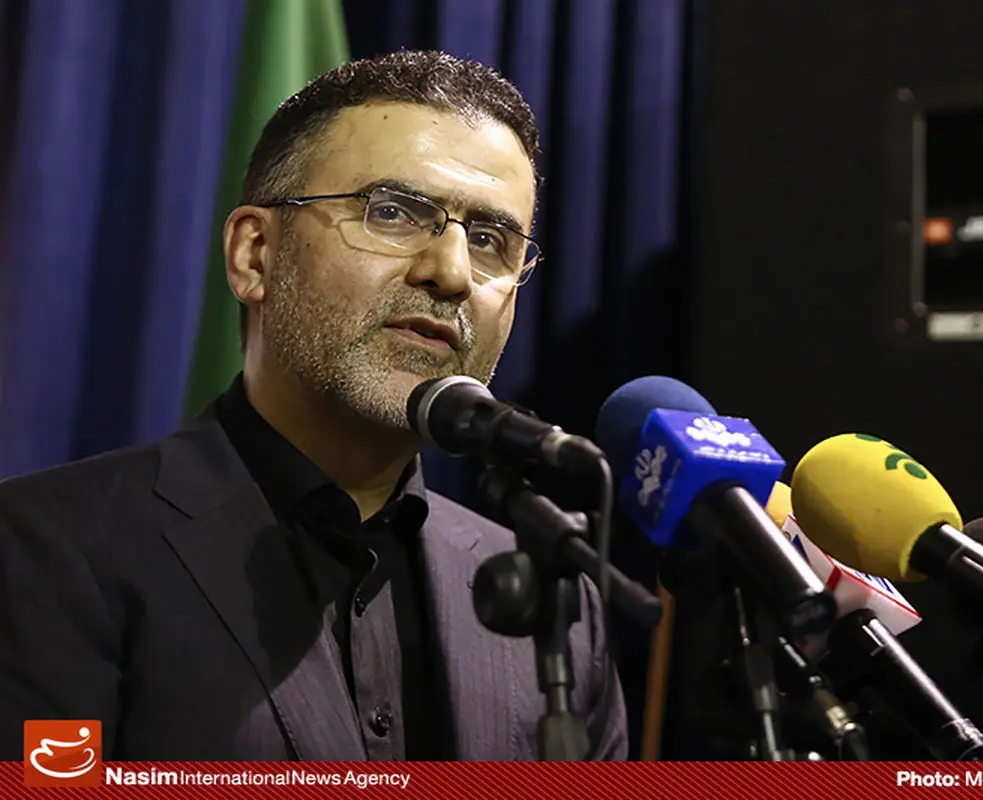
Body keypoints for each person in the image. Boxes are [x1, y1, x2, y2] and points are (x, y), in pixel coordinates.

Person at [0, 49, 626, 761]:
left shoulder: (558, 610)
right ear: (255, 255)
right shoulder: (46, 552)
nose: (452, 273)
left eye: (489, 241)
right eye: (393, 213)